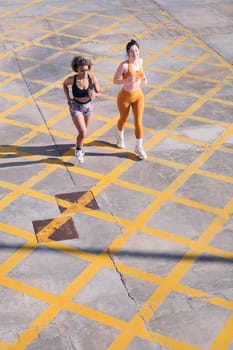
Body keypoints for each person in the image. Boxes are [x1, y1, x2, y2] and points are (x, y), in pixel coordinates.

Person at [113, 39, 148, 160]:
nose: (135, 53)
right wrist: (125, 80)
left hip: (138, 96)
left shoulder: (141, 61)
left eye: (137, 50)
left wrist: (144, 79)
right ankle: (119, 134)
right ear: (128, 52)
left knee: (138, 122)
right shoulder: (124, 65)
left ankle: (138, 147)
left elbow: (142, 74)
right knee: (124, 119)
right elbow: (115, 80)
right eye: (132, 51)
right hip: (125, 97)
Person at [63, 56, 101, 163]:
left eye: (86, 70)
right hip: (76, 107)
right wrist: (68, 98)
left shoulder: (92, 78)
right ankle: (78, 150)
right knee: (82, 131)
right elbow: (64, 84)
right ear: (77, 69)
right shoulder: (72, 79)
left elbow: (100, 93)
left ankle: (80, 145)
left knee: (83, 133)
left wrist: (95, 94)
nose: (85, 73)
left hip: (88, 107)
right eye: (82, 70)